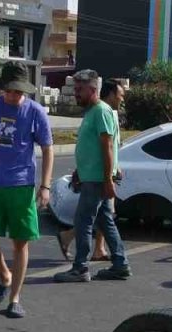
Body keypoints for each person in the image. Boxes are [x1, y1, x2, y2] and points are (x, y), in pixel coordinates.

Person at [0, 63, 55, 318]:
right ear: (2, 88)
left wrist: (45, 186)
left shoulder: (35, 111)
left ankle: (15, 298)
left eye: (18, 91)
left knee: (20, 242)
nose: (14, 95)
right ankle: (5, 276)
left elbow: (47, 148)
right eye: (10, 90)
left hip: (21, 185)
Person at [55, 69, 130, 283]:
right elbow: (92, 148)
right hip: (92, 177)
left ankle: (80, 268)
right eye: (76, 89)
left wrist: (107, 180)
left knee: (83, 221)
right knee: (105, 221)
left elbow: (108, 147)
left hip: (97, 180)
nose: (76, 93)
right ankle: (120, 264)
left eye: (80, 89)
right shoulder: (91, 112)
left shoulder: (101, 112)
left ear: (93, 89)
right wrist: (80, 171)